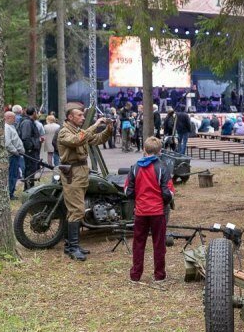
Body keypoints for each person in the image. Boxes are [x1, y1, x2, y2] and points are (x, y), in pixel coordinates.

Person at [58, 103, 114, 261]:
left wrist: (108, 129)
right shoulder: (64, 132)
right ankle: (73, 248)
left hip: (80, 173)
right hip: (73, 174)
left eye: (83, 115)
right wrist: (94, 125)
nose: (83, 118)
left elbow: (97, 139)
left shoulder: (77, 130)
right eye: (80, 115)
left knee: (74, 210)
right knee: (77, 210)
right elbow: (77, 140)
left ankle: (70, 245)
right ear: (70, 117)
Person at [124, 136, 175, 283]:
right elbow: (168, 192)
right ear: (159, 151)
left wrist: (138, 200)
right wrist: (164, 202)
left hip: (141, 212)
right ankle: (159, 275)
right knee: (159, 244)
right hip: (158, 212)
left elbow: (127, 190)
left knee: (138, 243)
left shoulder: (135, 167)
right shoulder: (162, 168)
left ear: (144, 150)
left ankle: (135, 275)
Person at [18, 107, 42, 190]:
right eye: (37, 112)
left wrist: (37, 141)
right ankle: (28, 189)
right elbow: (25, 137)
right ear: (34, 113)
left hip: (32, 150)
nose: (37, 114)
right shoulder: (27, 122)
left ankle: (30, 188)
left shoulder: (30, 122)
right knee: (30, 171)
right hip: (30, 151)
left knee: (32, 170)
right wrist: (30, 147)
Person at [4, 111, 24, 200]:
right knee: (12, 175)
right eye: (13, 118)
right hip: (12, 155)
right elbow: (7, 143)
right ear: (8, 118)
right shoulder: (6, 128)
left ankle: (11, 192)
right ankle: (10, 193)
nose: (15, 120)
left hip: (15, 154)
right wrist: (15, 151)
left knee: (14, 174)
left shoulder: (10, 127)